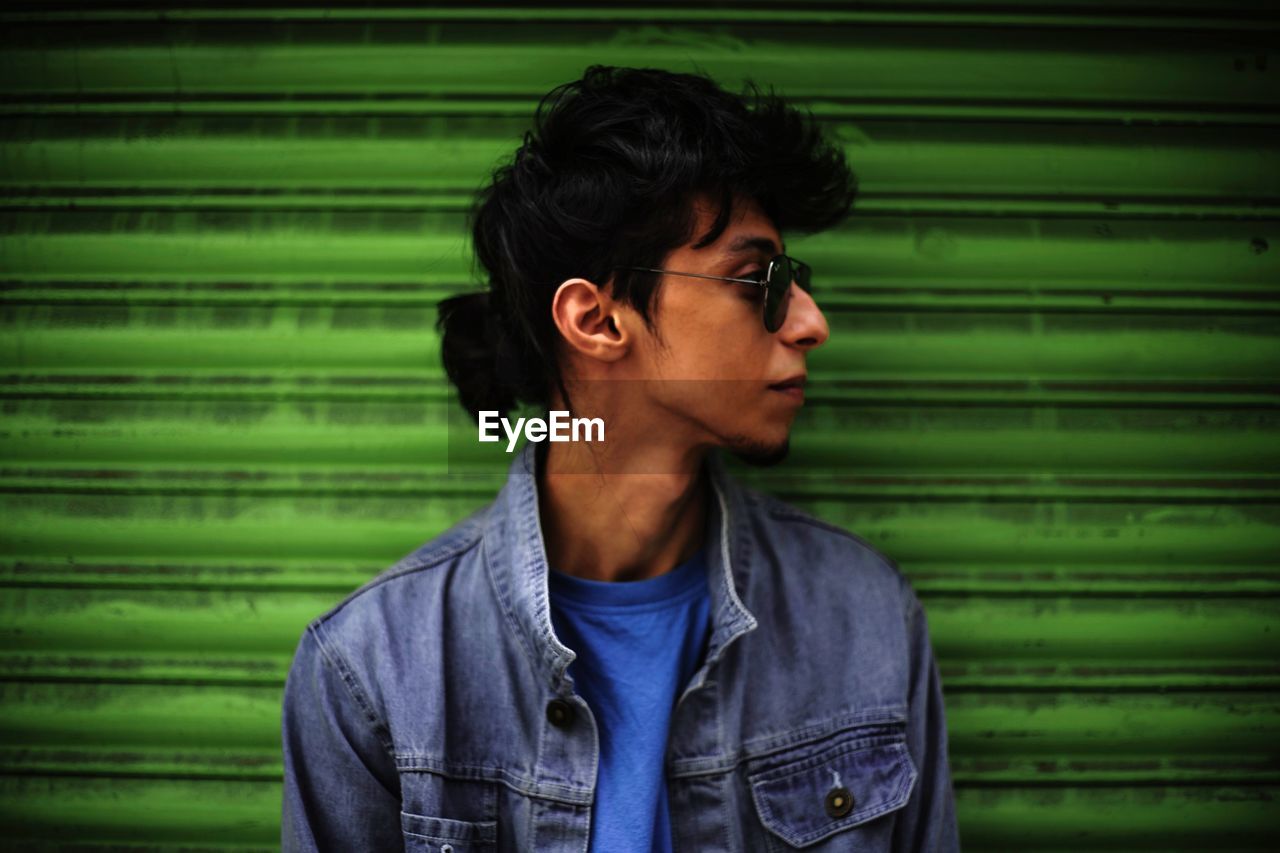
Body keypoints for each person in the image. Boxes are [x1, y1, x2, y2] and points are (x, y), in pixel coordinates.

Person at [281, 64, 960, 852]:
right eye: (757, 280)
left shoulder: (864, 616)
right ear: (597, 320)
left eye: (794, 281)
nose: (811, 322)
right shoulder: (371, 671)